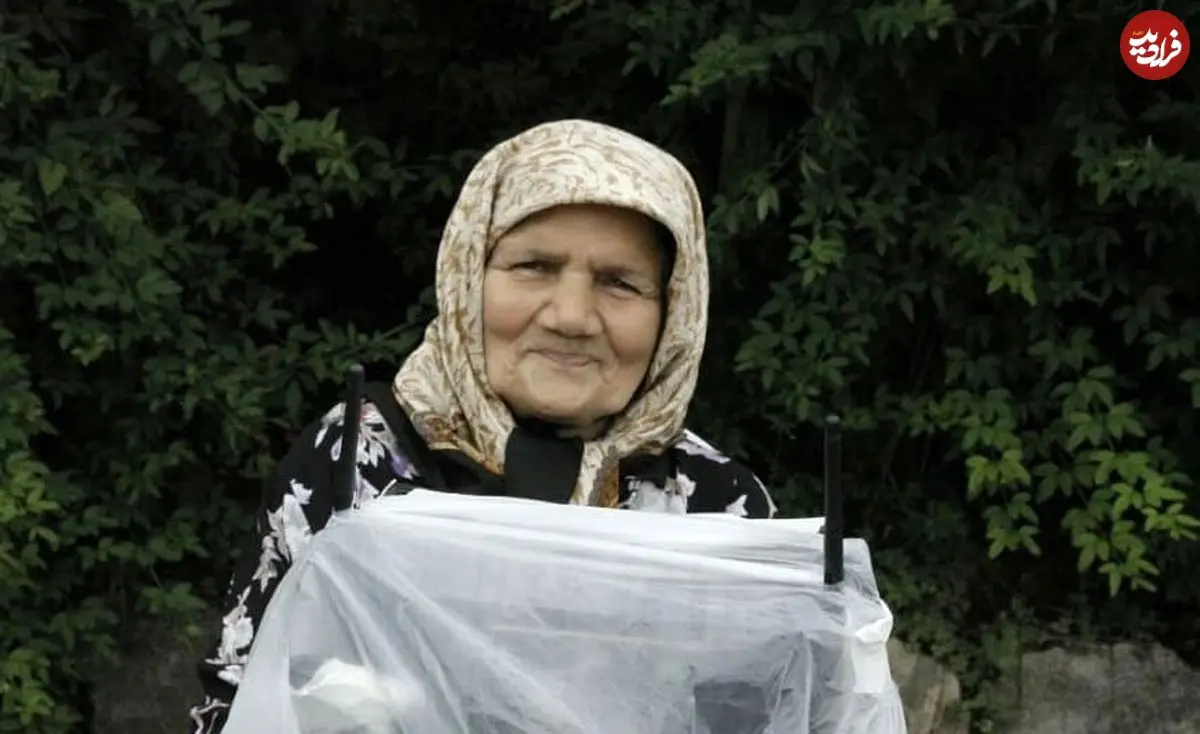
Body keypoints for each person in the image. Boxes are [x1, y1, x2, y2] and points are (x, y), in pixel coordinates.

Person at [187, 118, 778, 733]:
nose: (572, 317)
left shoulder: (717, 506)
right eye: (534, 266)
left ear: (674, 311)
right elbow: (240, 695)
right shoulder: (359, 462)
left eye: (620, 283)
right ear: (469, 274)